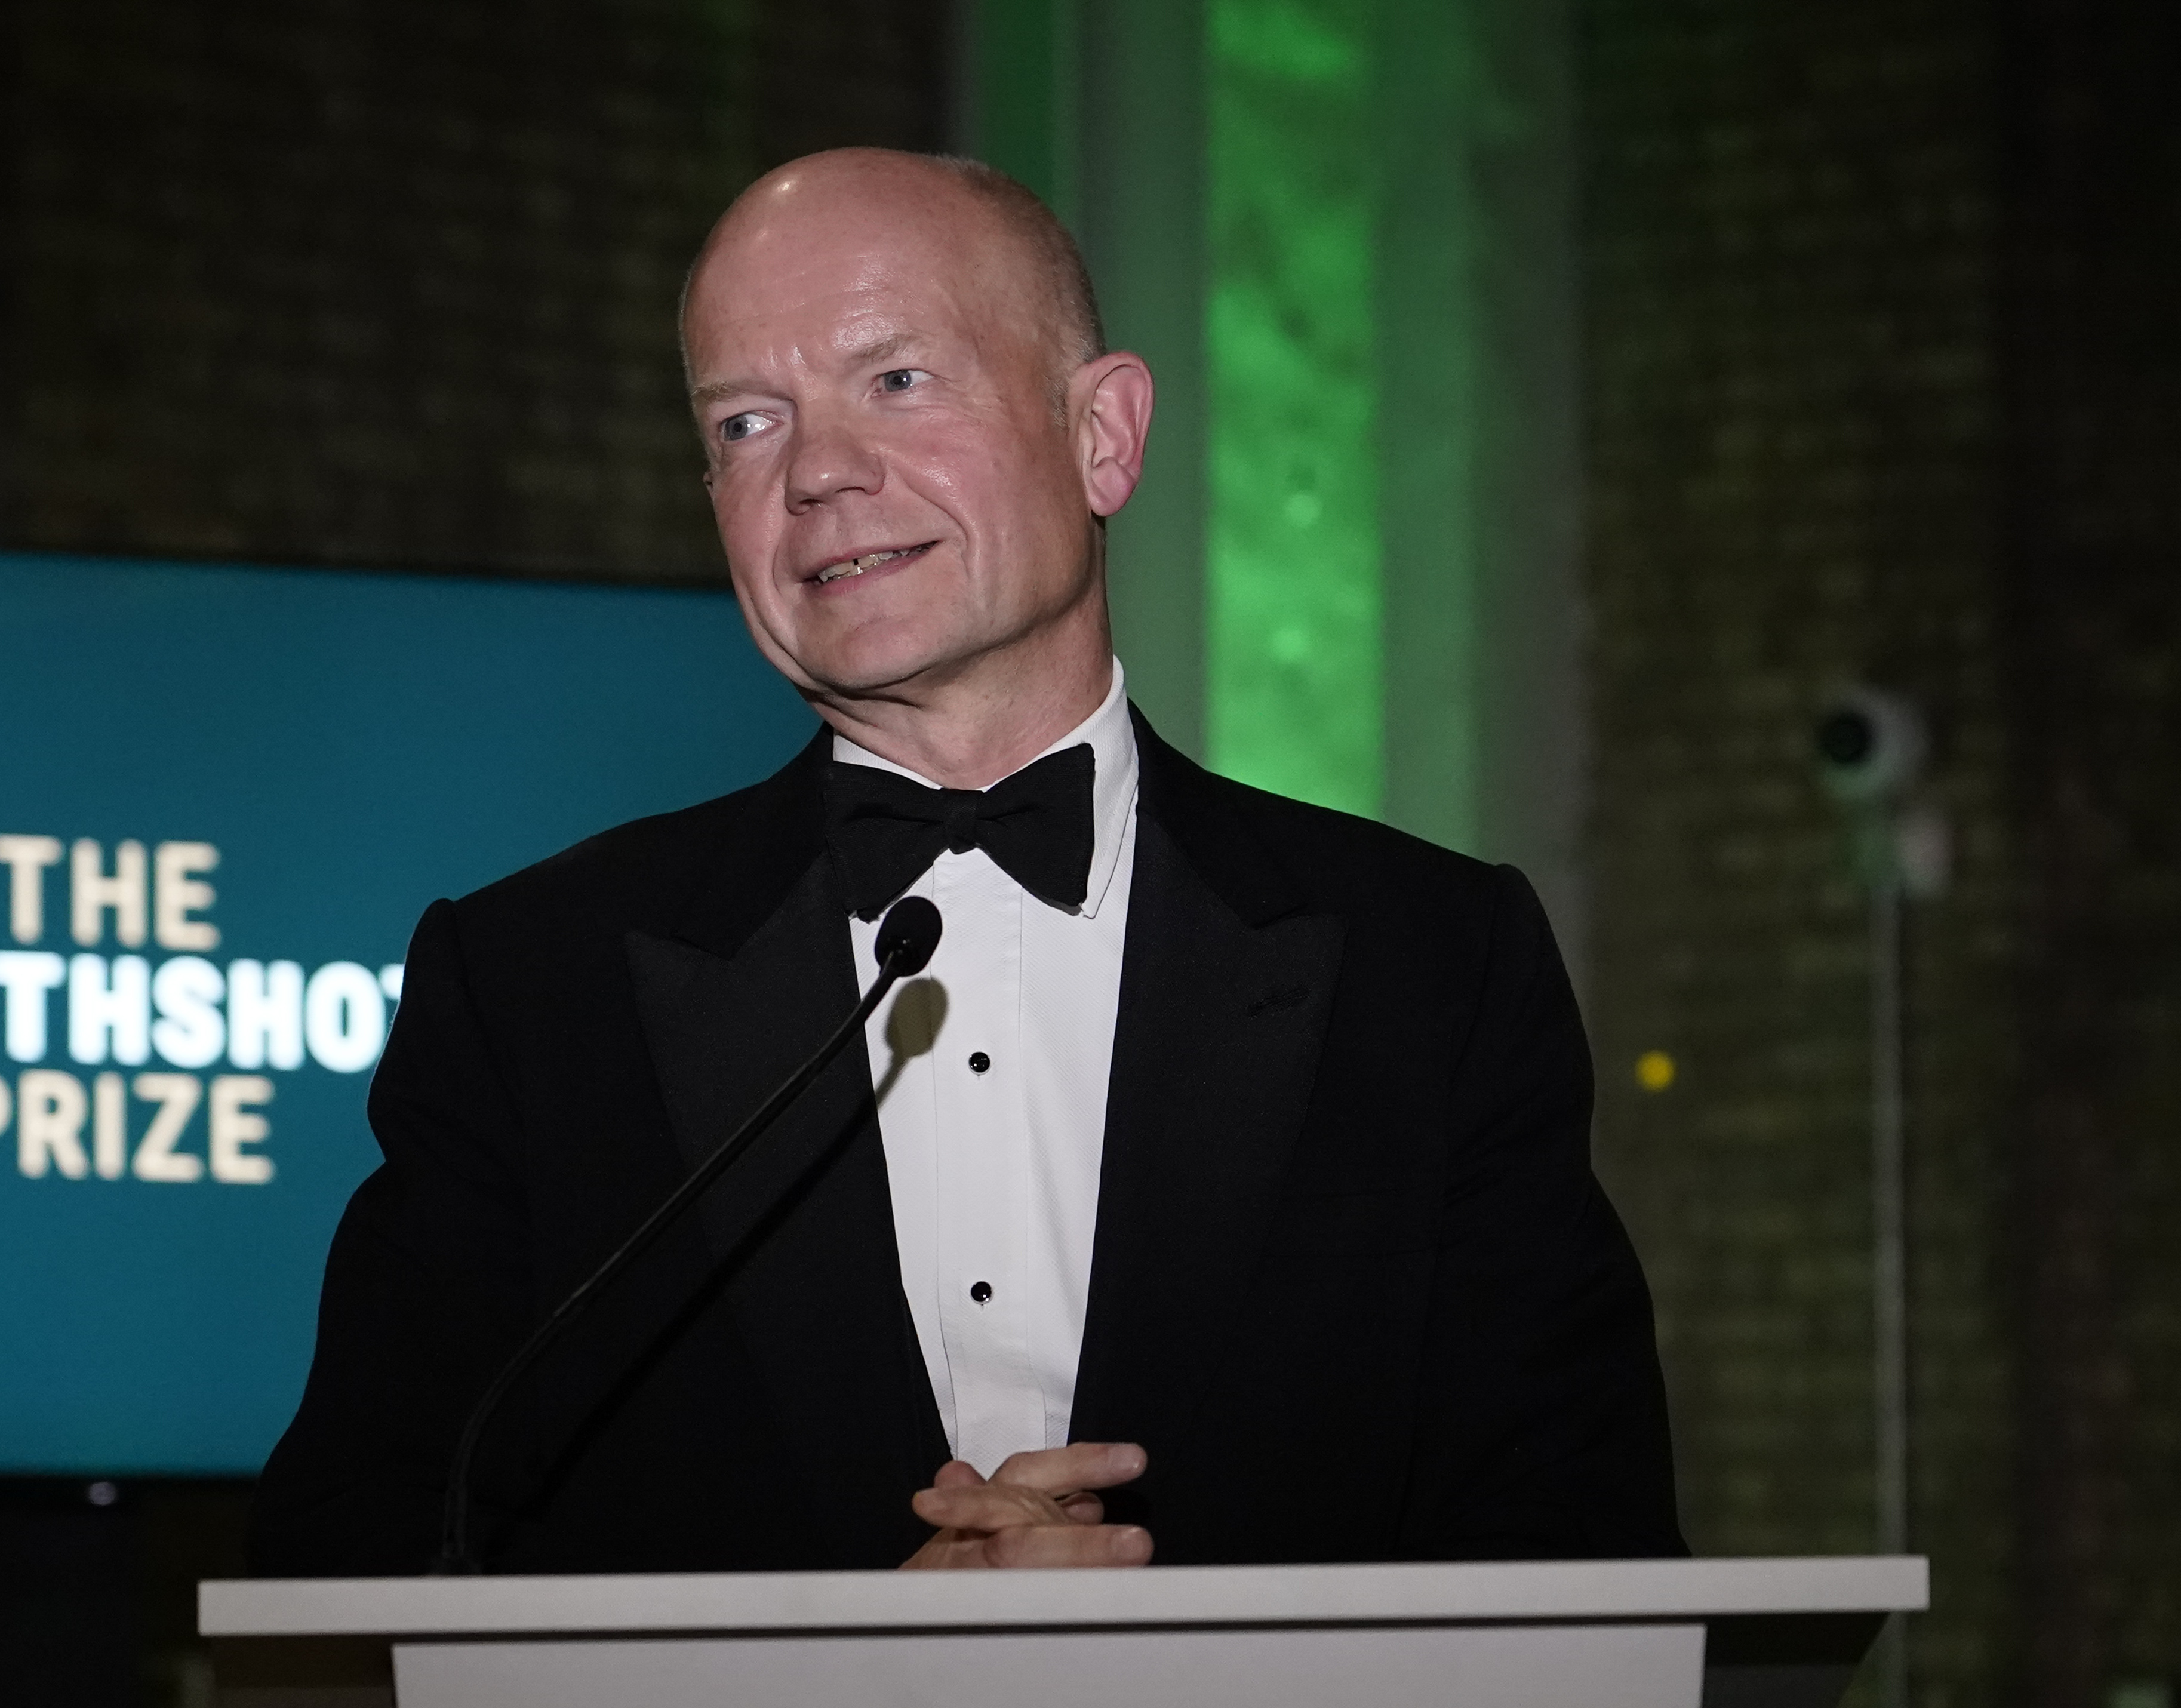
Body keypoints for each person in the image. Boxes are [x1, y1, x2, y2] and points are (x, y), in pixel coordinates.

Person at [253, 148, 1677, 1577]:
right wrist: (844, 1681)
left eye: (896, 381)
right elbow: (353, 1571)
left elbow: (1576, 1550)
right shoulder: (529, 988)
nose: (815, 473)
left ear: (1104, 435)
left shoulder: (1432, 961)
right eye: (747, 422)